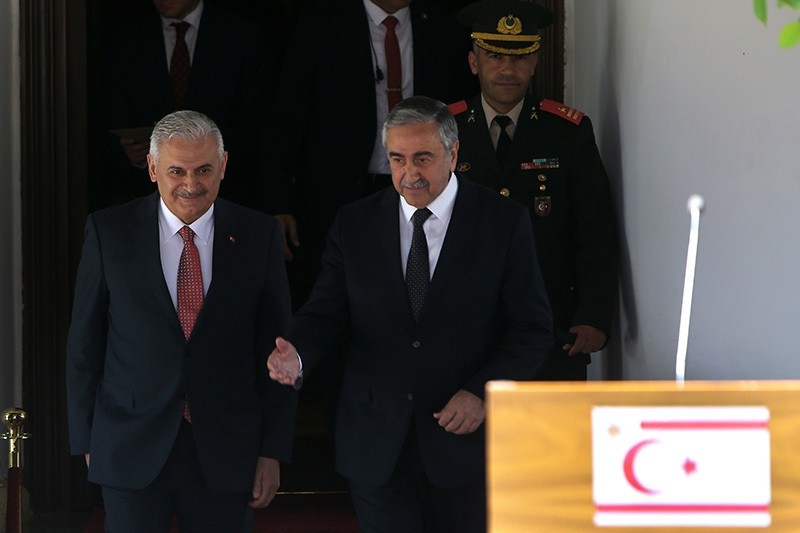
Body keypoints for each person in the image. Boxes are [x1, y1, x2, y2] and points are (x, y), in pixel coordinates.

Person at [267, 96, 552, 533]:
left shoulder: (503, 222)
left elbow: (531, 330)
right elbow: (326, 312)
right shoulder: (355, 223)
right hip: (377, 445)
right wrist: (298, 353)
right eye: (398, 159)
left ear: (453, 154)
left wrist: (481, 393)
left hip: (466, 446)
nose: (410, 173)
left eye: (423, 158)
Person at [66, 110, 297, 532]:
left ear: (224, 165)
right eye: (176, 170)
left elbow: (280, 354)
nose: (191, 185)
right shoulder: (108, 232)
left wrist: (272, 450)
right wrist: (86, 439)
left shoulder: (257, 234)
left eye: (204, 169)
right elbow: (85, 345)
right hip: (129, 446)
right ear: (152, 168)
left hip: (227, 450)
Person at [263, 0, 477, 306]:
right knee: (338, 301)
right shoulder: (322, 24)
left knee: (414, 299)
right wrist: (278, 202)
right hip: (337, 196)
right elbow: (286, 118)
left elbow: (459, 115)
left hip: (422, 190)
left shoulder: (442, 26)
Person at [453, 0, 619, 381]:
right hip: (463, 320)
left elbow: (596, 231)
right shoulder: (446, 130)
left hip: (551, 321)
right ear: (474, 62)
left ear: (535, 63)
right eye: (494, 56)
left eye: (520, 57)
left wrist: (593, 317)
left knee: (552, 437)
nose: (507, 70)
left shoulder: (567, 131)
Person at [93, 0, 270, 211]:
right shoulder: (126, 39)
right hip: (146, 202)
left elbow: (258, 125)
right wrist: (132, 156)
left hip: (228, 200)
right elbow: (107, 121)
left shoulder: (242, 37)